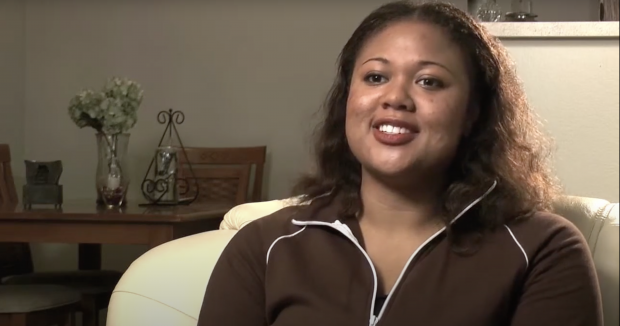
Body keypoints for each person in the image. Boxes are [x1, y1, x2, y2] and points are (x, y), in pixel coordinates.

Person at [197, 1, 603, 325]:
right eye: (375, 77)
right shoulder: (262, 246)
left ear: (472, 113)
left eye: (429, 81)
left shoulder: (544, 250)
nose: (396, 98)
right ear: (347, 101)